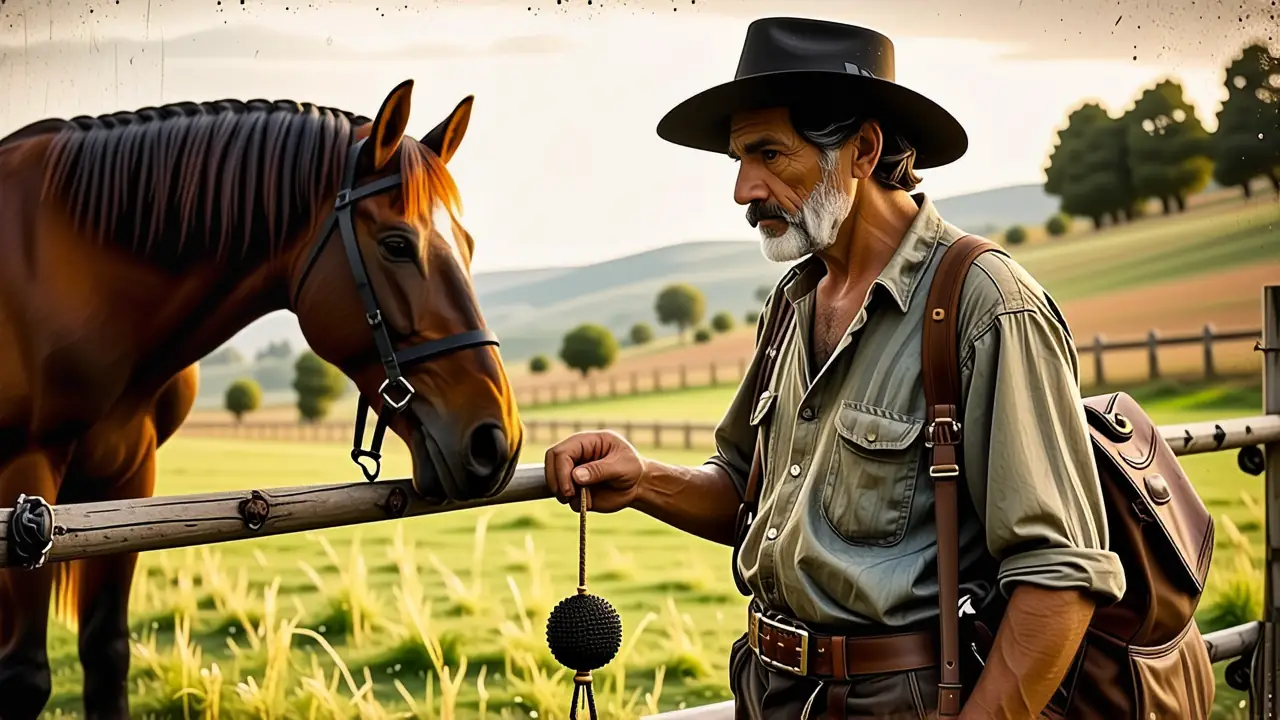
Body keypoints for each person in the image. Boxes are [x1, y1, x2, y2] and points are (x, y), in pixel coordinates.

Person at [543, 17, 1125, 720]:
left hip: (901, 700)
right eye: (737, 158)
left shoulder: (984, 306)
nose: (743, 189)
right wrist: (644, 481)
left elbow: (1058, 577)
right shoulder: (792, 302)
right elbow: (748, 491)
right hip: (766, 691)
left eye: (768, 154)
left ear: (863, 149)